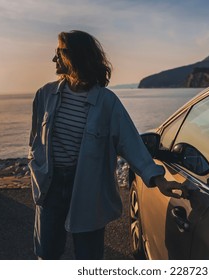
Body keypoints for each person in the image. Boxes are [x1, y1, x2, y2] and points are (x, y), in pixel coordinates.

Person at [28, 30, 182, 260]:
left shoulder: (107, 103)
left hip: (88, 189)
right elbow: (34, 141)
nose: (54, 59)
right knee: (46, 254)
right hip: (50, 186)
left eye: (58, 52)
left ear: (75, 56)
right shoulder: (45, 95)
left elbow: (131, 143)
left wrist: (158, 179)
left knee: (89, 257)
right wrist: (37, 168)